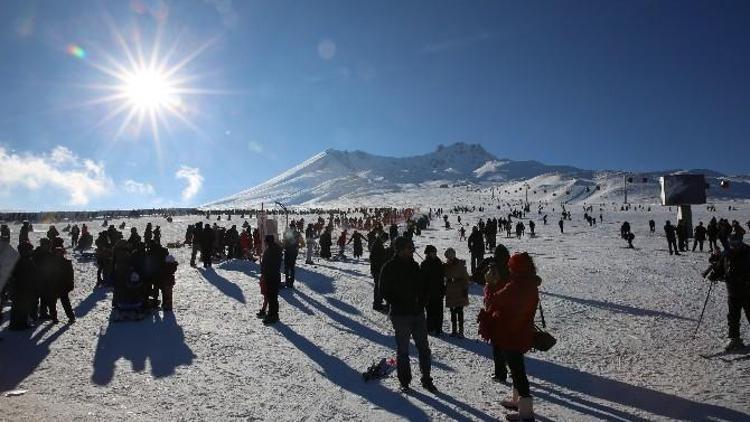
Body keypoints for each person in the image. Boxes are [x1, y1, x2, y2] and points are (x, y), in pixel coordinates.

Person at [485, 252, 540, 421]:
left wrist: (490, 286)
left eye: (511, 266)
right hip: (521, 331)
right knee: (516, 368)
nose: (509, 268)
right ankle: (518, 401)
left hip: (512, 333)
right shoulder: (528, 281)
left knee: (517, 370)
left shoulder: (518, 284)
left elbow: (496, 300)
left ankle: (525, 412)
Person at [379, 237, 437, 393]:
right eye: (409, 247)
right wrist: (398, 302)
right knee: (403, 350)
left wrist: (423, 301)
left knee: (424, 349)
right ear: (400, 249)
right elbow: (383, 290)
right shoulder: (389, 267)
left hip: (418, 313)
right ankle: (405, 381)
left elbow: (423, 287)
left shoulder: (415, 266)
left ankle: (426, 379)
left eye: (412, 247)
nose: (412, 250)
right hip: (400, 315)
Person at [706, 234, 750, 351]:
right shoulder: (727, 254)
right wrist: (714, 275)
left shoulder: (748, 253)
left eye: (736, 244)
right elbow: (721, 268)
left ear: (741, 242)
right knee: (733, 317)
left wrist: (745, 279)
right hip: (733, 292)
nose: (734, 247)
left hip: (747, 292)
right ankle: (734, 339)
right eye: (732, 244)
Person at [444, 247, 470, 338]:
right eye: (447, 257)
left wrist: (465, 289)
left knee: (459, 311)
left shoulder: (460, 265)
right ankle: (454, 330)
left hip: (459, 289)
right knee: (452, 311)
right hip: (451, 290)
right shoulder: (446, 266)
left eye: (450, 256)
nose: (449, 258)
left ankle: (461, 331)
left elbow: (466, 278)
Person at [421, 245, 445, 336]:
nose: (434, 254)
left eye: (435, 252)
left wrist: (443, 289)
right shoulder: (424, 264)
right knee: (430, 311)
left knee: (439, 311)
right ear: (428, 253)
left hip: (438, 291)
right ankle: (430, 328)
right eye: (432, 252)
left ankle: (439, 328)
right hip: (429, 292)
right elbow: (422, 280)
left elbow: (442, 277)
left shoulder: (438, 262)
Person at [261, 235, 282, 324]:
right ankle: (273, 314)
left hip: (271, 276)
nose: (265, 243)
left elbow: (267, 264)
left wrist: (263, 272)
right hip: (275, 275)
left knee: (271, 296)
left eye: (266, 241)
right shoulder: (276, 249)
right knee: (273, 297)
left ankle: (273, 315)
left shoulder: (270, 251)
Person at [370, 235, 388, 311]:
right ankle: (377, 304)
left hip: (377, 269)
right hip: (377, 270)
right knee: (378, 287)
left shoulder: (377, 244)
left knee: (378, 287)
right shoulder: (378, 246)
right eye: (385, 239)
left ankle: (377, 303)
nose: (385, 241)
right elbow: (377, 258)